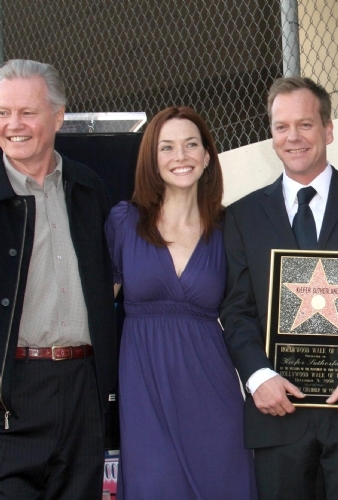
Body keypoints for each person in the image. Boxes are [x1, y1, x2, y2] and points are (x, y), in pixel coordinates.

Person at [220, 77, 338, 500]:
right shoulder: (241, 216)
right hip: (278, 411)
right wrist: (257, 377)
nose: (293, 137)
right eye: (281, 127)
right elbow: (236, 310)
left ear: (328, 129)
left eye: (305, 125)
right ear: (271, 135)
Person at [105, 106, 256, 499]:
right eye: (167, 148)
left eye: (191, 145)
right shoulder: (125, 223)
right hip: (145, 394)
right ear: (152, 161)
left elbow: (248, 312)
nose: (181, 156)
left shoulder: (229, 229)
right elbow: (97, 309)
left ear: (207, 156)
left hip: (212, 394)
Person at [0, 59, 116, 498]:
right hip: (12, 392)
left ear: (58, 115)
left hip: (83, 389)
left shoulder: (88, 189)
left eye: (27, 112)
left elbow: (111, 281)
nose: (14, 124)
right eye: (2, 113)